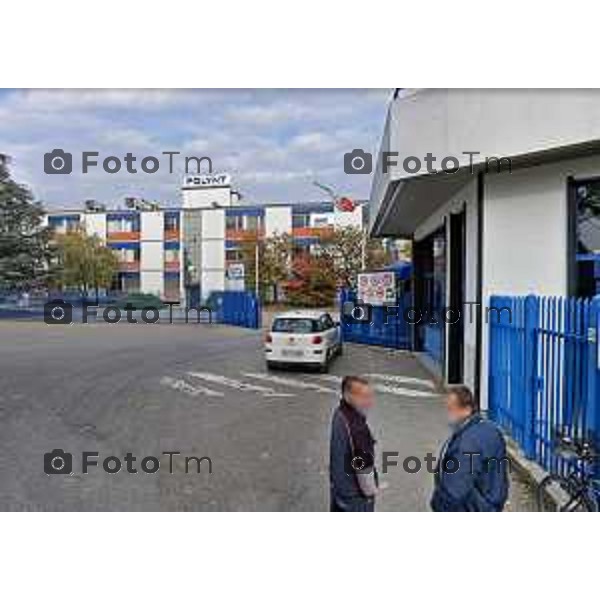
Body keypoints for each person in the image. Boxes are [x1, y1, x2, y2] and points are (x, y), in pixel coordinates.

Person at [431, 385, 509, 512]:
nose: (447, 414)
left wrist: (437, 504)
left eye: (451, 409)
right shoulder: (492, 430)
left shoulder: (466, 443)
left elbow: (454, 490)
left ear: (467, 409)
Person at [329, 375, 378, 512]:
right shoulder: (358, 429)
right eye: (363, 397)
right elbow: (364, 471)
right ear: (348, 396)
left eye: (370, 396)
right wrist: (371, 492)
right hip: (355, 498)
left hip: (339, 489)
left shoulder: (340, 412)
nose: (369, 402)